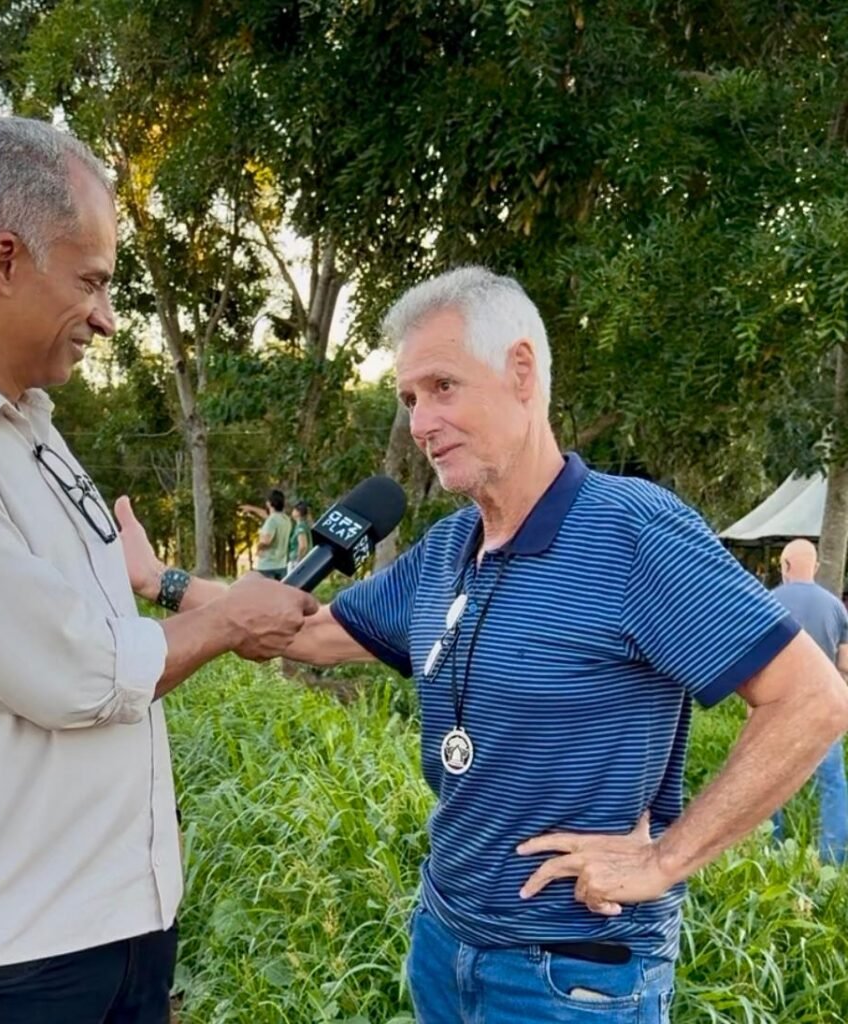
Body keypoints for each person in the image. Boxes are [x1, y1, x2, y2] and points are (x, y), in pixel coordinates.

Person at [124, 266, 848, 1022]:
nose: (420, 423)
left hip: (571, 976)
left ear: (521, 372)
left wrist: (664, 860)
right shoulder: (449, 547)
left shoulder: (632, 532)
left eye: (442, 387)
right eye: (409, 398)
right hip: (444, 941)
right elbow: (304, 626)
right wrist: (160, 582)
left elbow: (813, 699)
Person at [0, 117, 317, 1024]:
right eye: (91, 281)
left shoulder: (32, 430)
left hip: (119, 934)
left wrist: (166, 590)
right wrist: (223, 621)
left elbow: (93, 625)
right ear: (6, 261)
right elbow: (67, 668)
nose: (106, 315)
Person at [769, 538, 848, 863]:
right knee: (833, 784)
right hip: (822, 711)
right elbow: (845, 665)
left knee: (767, 783)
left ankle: (771, 851)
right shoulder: (835, 606)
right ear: (814, 567)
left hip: (775, 711)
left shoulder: (768, 602)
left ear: (785, 566)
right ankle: (832, 859)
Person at [239, 489, 292, 580]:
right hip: (281, 565)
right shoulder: (286, 519)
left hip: (267, 567)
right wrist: (251, 508)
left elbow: (266, 541)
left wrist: (259, 549)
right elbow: (267, 515)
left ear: (269, 503)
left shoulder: (271, 521)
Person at [288, 500, 312, 572]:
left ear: (298, 512)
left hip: (297, 561)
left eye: (294, 510)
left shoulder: (300, 527)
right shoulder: (305, 525)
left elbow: (303, 546)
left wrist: (298, 560)